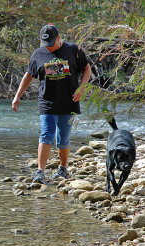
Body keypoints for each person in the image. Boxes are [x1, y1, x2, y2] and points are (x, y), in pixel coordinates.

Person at [11, 24, 91, 184]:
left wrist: (82, 88)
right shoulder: (38, 54)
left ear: (59, 38)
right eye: (45, 45)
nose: (48, 48)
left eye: (51, 44)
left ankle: (62, 169)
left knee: (63, 138)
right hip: (47, 101)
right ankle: (40, 172)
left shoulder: (73, 49)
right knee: (47, 134)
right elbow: (28, 75)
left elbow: (87, 68)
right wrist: (17, 95)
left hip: (70, 102)